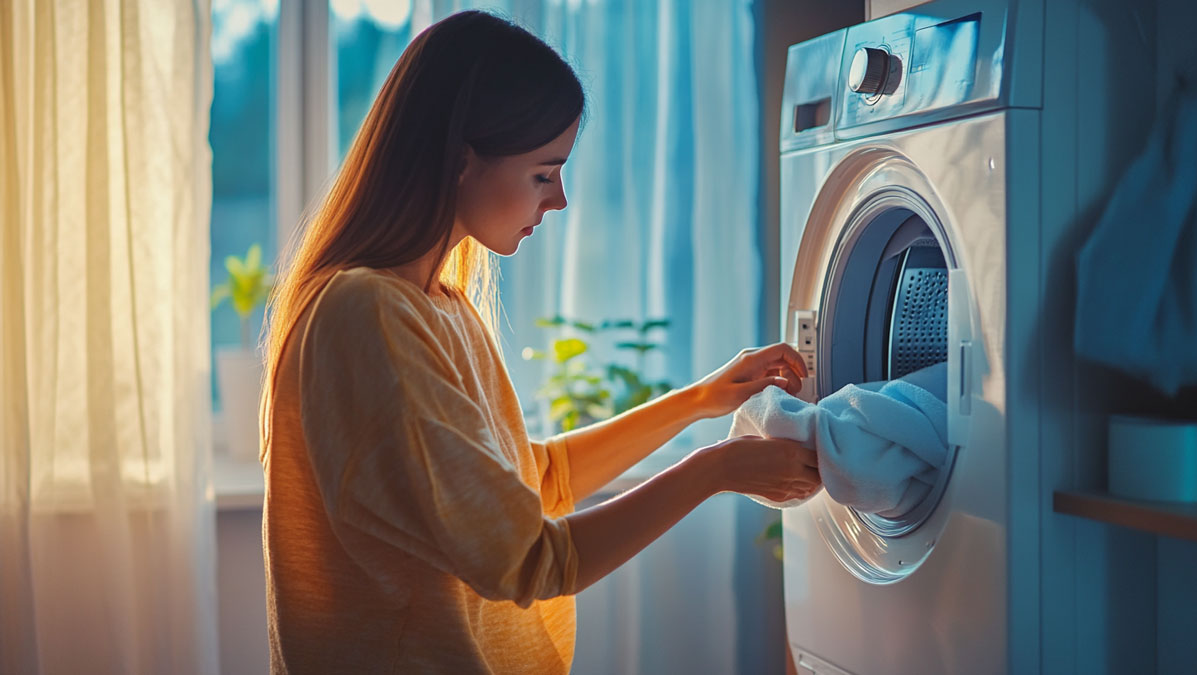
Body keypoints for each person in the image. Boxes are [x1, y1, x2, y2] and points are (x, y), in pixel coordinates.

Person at [259, 10, 819, 674]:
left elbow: (537, 481)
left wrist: (701, 400)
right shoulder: (367, 314)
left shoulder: (441, 306)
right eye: (543, 173)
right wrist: (717, 470)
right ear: (461, 161)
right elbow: (530, 560)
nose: (558, 201)